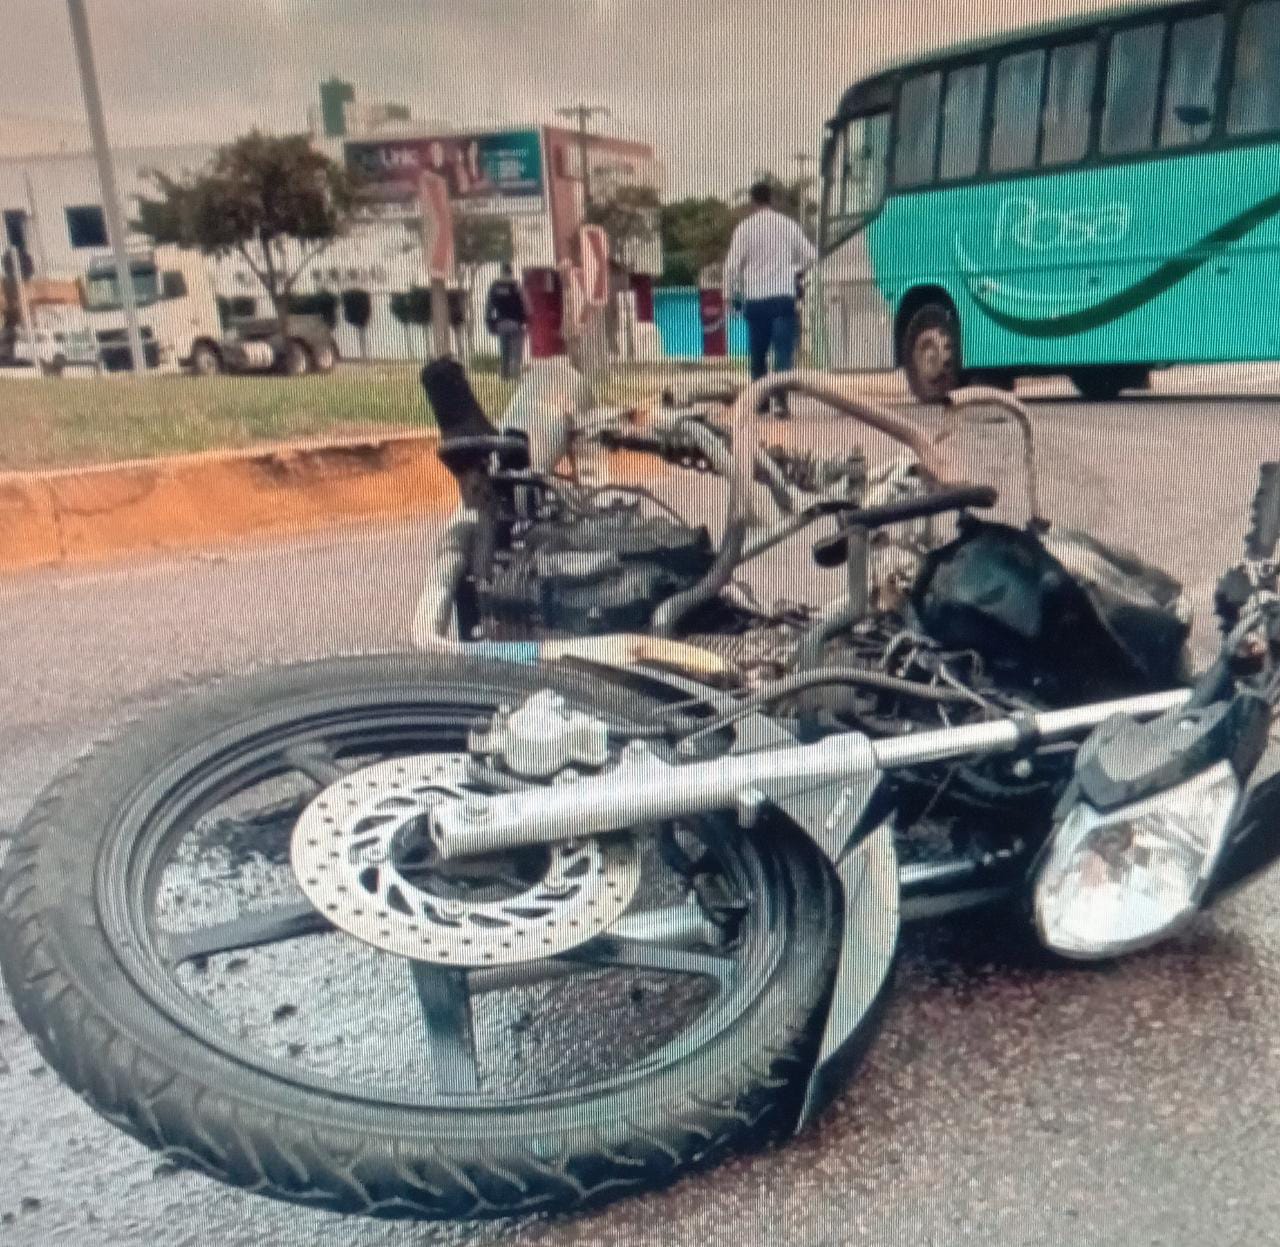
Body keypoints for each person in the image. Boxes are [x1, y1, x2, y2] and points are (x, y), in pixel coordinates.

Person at [723, 181, 817, 418]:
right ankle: (782, 402)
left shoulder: (744, 229)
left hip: (756, 300)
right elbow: (811, 256)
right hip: (783, 298)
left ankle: (761, 402)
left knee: (758, 353)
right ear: (771, 199)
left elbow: (731, 266)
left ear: (752, 201)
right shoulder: (788, 226)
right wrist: (795, 271)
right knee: (783, 352)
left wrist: (728, 295)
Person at [484, 262, 529, 380]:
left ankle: (504, 379)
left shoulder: (495, 286)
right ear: (511, 272)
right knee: (516, 356)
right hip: (516, 324)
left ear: (501, 272)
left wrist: (490, 323)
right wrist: (527, 320)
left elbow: (489, 306)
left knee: (504, 354)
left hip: (501, 324)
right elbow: (526, 304)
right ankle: (515, 379)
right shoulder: (516, 285)